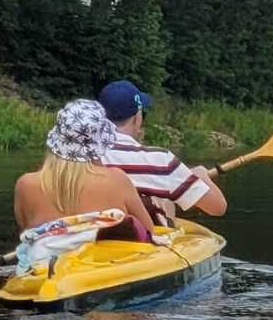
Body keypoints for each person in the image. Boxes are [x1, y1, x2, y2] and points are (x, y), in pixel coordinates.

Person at [10, 99, 157, 250]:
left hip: (45, 266)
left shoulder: (25, 184)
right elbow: (150, 234)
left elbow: (26, 235)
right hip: (104, 265)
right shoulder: (116, 180)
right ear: (99, 142)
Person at [96, 80, 227, 223]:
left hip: (92, 237)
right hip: (141, 242)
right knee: (166, 202)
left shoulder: (79, 156)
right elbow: (218, 208)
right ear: (137, 117)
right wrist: (202, 177)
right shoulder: (161, 160)